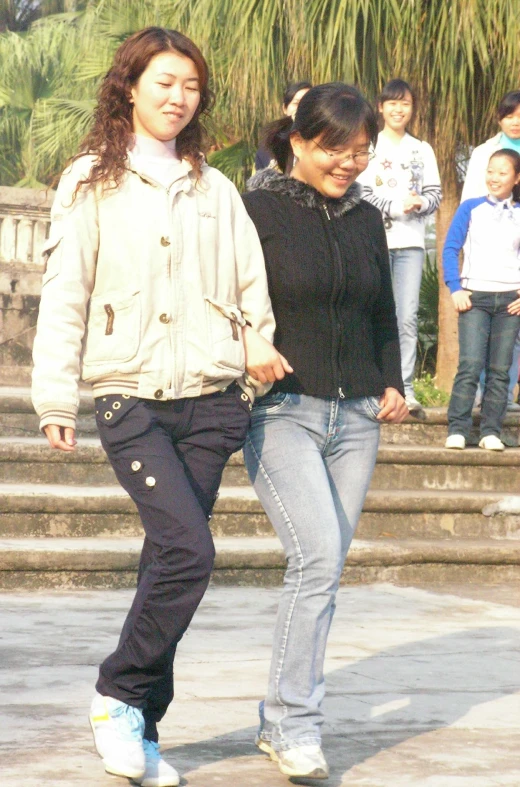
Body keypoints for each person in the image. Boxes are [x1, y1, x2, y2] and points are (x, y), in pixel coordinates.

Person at [31, 27, 286, 787]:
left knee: (166, 560)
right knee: (190, 551)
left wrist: (254, 360)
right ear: (131, 86)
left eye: (191, 87)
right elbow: (66, 294)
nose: (179, 98)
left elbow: (251, 285)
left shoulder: (216, 186)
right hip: (130, 396)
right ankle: (117, 694)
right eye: (164, 83)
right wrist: (56, 394)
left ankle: (141, 724)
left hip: (212, 401)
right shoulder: (89, 181)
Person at [242, 83, 408, 780]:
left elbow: (380, 311)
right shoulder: (256, 209)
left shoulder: (368, 217)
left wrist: (393, 380)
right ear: (299, 141)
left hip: (358, 417)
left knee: (327, 569)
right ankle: (292, 723)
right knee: (315, 558)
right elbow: (228, 295)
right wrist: (251, 341)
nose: (349, 163)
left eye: (362, 151)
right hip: (283, 409)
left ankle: (283, 716)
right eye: (335, 148)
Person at [357, 78, 442, 413]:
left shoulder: (422, 149)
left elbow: (435, 194)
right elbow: (360, 192)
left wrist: (419, 203)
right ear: (380, 106)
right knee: (370, 313)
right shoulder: (369, 145)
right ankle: (371, 383)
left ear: (412, 108)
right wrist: (393, 207)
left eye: (405, 103)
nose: (398, 109)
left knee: (406, 318)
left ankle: (404, 387)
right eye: (392, 103)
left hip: (411, 245)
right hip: (373, 241)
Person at [443, 149, 520, 451]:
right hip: (475, 299)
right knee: (471, 365)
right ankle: (458, 429)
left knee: (501, 371)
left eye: (502, 172)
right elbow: (450, 249)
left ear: (516, 178)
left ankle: (491, 431)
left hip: (510, 303)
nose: (494, 178)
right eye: (491, 171)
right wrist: (455, 288)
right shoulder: (470, 208)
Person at [462, 90, 520, 410]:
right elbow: (469, 205)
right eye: (510, 115)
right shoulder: (485, 152)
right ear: (500, 117)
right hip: (488, 254)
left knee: (515, 328)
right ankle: (485, 393)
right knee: (487, 330)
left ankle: (504, 395)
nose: (515, 122)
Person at [254, 81, 312, 171]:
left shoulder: (324, 143)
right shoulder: (270, 148)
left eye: (307, 104)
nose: (301, 108)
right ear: (285, 108)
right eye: (296, 104)